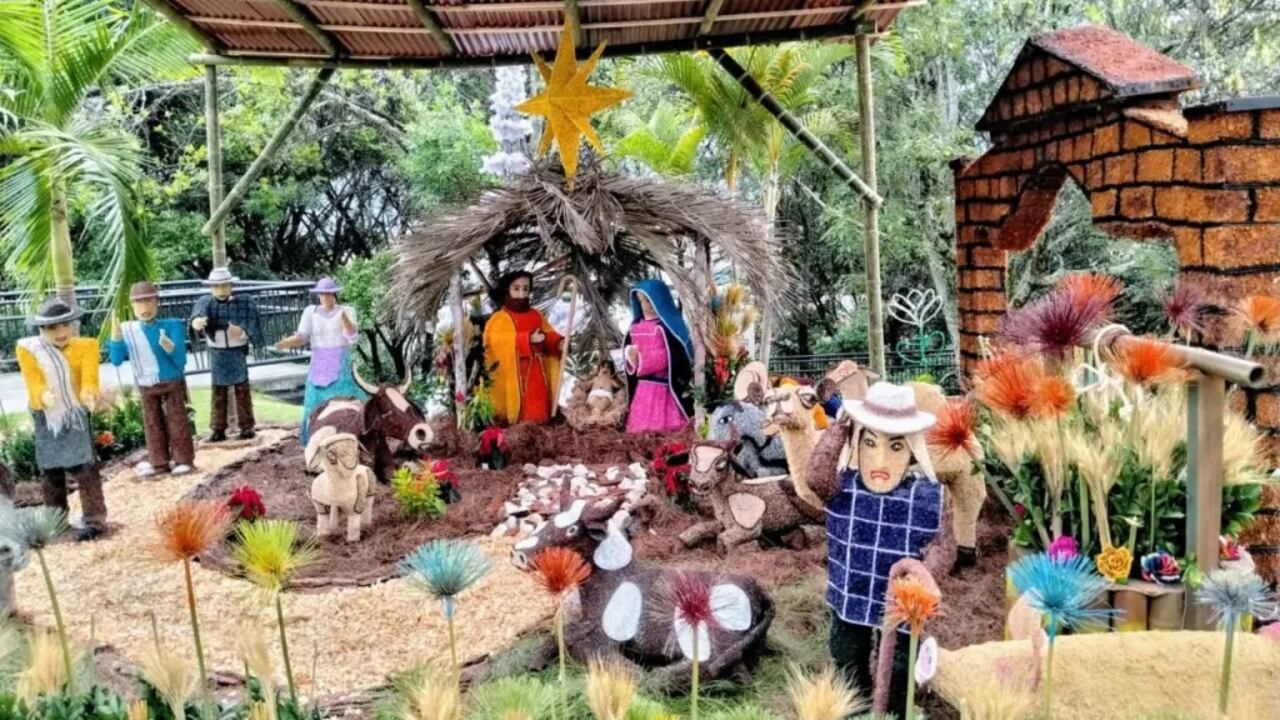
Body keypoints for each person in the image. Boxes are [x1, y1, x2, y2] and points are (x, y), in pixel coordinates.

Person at [805, 381, 956, 716]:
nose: (880, 459)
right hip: (852, 592)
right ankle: (855, 705)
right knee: (847, 653)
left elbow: (944, 546)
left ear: (912, 451)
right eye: (870, 442)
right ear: (857, 442)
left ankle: (897, 709)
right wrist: (839, 428)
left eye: (896, 446)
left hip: (902, 601)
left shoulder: (928, 497)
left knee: (901, 664)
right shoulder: (841, 489)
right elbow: (814, 477)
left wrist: (922, 576)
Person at [15, 298, 107, 541]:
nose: (61, 332)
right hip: (47, 416)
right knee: (51, 471)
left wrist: (89, 393)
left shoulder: (87, 346)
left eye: (65, 324)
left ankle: (95, 520)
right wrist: (42, 395)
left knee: (86, 467)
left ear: (73, 324)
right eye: (52, 327)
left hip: (75, 413)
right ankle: (57, 523)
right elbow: (33, 380)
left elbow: (89, 377)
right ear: (42, 329)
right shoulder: (28, 349)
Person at [108, 282, 195, 478]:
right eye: (139, 303)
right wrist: (116, 338)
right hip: (146, 384)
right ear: (132, 306)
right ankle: (158, 461)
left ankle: (183, 459)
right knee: (152, 423)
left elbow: (181, 360)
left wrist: (170, 347)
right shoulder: (128, 330)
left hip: (170, 381)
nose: (144, 308)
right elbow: (116, 360)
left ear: (157, 302)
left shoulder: (172, 325)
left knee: (177, 420)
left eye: (148, 301)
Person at [275, 277, 364, 443]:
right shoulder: (311, 312)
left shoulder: (346, 311)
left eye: (328, 294)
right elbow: (302, 337)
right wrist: (285, 343)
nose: (325, 297)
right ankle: (313, 436)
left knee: (342, 397)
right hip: (319, 362)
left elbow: (352, 336)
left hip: (340, 360)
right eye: (322, 294)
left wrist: (344, 318)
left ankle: (347, 434)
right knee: (315, 400)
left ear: (334, 294)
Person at [190, 267, 265, 441]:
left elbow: (251, 325)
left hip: (237, 351)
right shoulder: (205, 303)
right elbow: (196, 317)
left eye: (225, 285)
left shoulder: (244, 303)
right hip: (217, 353)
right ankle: (217, 429)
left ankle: (247, 427)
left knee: (242, 390)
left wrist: (241, 332)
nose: (221, 290)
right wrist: (197, 323)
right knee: (218, 392)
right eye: (217, 286)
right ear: (211, 287)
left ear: (231, 285)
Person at [483, 271, 564, 425]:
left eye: (525, 289)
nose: (521, 294)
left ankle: (542, 426)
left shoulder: (536, 315)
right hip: (515, 374)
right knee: (521, 411)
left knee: (539, 408)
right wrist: (527, 339)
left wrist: (558, 343)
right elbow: (497, 343)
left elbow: (547, 333)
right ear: (507, 290)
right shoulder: (499, 318)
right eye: (516, 288)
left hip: (537, 372)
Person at [623, 279, 693, 433]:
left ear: (659, 299)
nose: (645, 306)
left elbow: (670, 356)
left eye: (648, 300)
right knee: (639, 432)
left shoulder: (667, 327)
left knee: (665, 432)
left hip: (665, 389)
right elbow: (632, 355)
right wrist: (630, 358)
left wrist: (640, 359)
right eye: (641, 301)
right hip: (643, 389)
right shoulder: (635, 327)